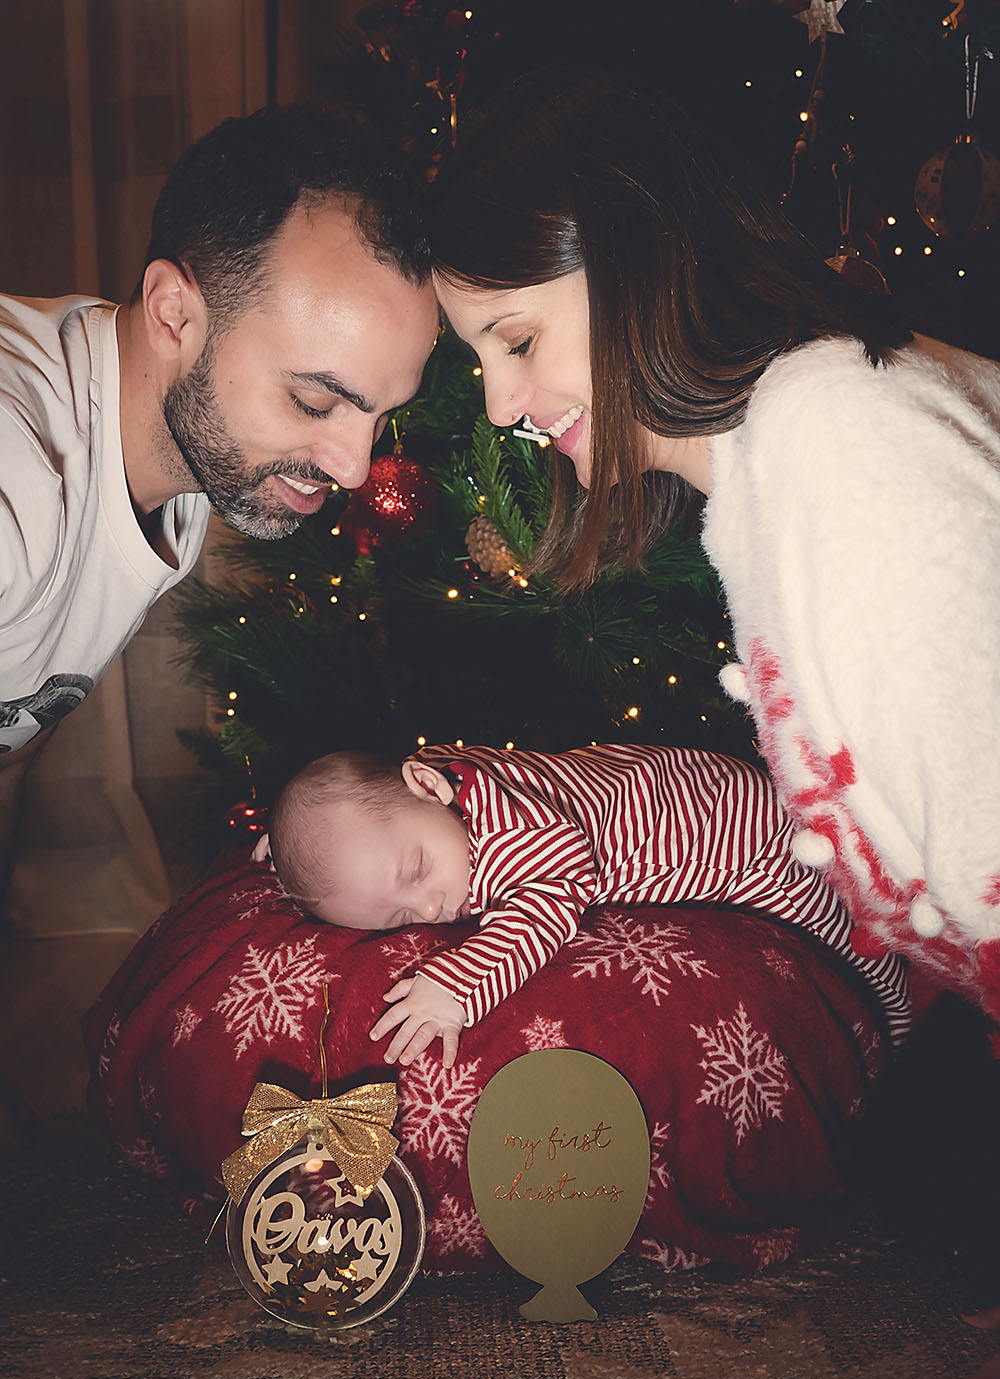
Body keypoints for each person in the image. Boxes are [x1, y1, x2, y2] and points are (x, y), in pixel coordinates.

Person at [427, 67, 1000, 1029]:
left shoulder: (845, 454)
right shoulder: (774, 463)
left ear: (641, 263)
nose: (498, 407)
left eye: (516, 341)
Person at [0, 105, 439, 899]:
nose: (353, 470)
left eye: (382, 417)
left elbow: (15, 736)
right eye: (314, 400)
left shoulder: (176, 468)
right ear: (174, 314)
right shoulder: (18, 475)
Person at [258, 742, 910, 1069]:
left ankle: (903, 1024)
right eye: (399, 918)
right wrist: (305, 856)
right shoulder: (435, 782)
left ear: (426, 785)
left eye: (417, 871)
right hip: (687, 776)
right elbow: (360, 824)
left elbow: (545, 903)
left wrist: (455, 987)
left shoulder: (517, 837)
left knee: (851, 942)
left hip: (746, 839)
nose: (431, 906)